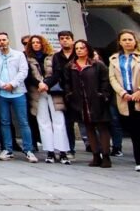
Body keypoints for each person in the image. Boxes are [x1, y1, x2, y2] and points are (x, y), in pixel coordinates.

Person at [0, 32, 37, 163]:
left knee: (23, 121)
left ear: (8, 40)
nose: (2, 42)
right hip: (0, 92)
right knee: (4, 122)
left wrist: (13, 84)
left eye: (4, 39)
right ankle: (7, 149)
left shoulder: (19, 55)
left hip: (18, 92)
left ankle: (28, 149)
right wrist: (2, 84)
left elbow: (23, 71)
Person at [63, 39, 112, 168]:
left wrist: (103, 95)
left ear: (88, 49)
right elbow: (67, 83)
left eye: (82, 48)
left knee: (102, 127)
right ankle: (96, 155)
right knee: (88, 127)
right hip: (80, 101)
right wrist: (69, 95)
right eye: (77, 48)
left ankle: (106, 155)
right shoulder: (71, 66)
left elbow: (105, 81)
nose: (79, 50)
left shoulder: (97, 64)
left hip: (97, 99)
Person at [26, 35, 70, 164]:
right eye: (33, 43)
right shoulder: (28, 58)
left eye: (38, 42)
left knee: (59, 121)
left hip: (53, 91)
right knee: (43, 122)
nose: (35, 44)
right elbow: (28, 75)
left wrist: (46, 83)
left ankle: (63, 151)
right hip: (37, 92)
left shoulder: (53, 56)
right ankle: (50, 151)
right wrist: (39, 84)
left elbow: (58, 73)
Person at [45, 30, 83, 158]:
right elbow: (56, 73)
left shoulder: (79, 53)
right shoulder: (57, 56)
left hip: (82, 90)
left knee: (87, 121)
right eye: (62, 38)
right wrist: (46, 84)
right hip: (65, 91)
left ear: (72, 39)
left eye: (67, 38)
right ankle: (70, 149)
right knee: (68, 122)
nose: (64, 40)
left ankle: (96, 149)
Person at [108, 29, 140, 172]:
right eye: (124, 40)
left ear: (135, 41)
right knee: (134, 130)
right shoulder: (114, 59)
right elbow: (112, 78)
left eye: (130, 39)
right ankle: (139, 160)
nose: (127, 42)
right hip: (126, 97)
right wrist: (122, 92)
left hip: (138, 94)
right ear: (120, 42)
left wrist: (139, 90)